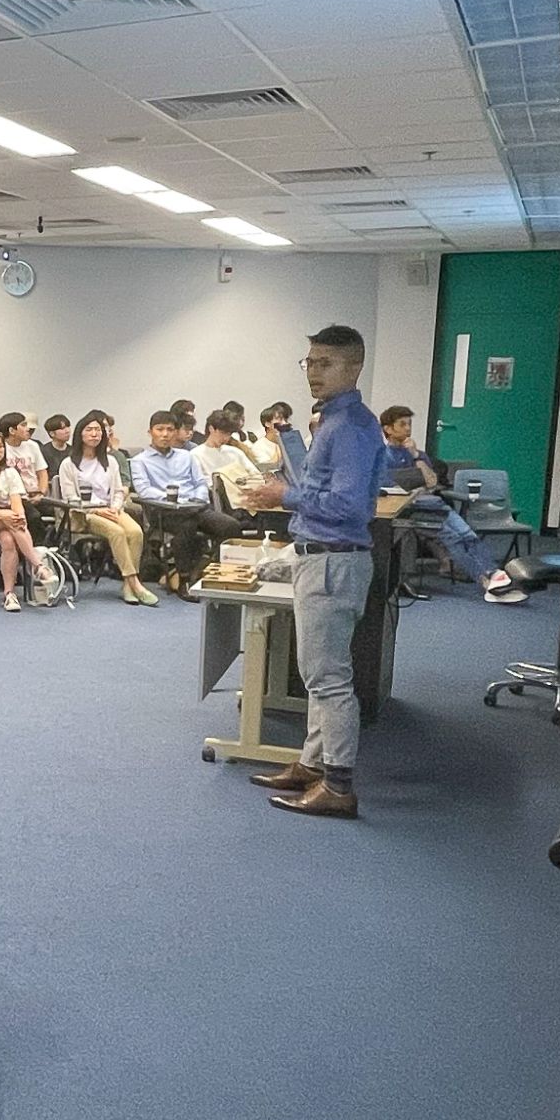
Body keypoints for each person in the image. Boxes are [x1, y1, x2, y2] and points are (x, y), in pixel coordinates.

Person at [244, 327, 390, 818]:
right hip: (325, 557)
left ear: (353, 369)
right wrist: (289, 458)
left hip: (333, 560)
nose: (313, 371)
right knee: (317, 675)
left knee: (329, 679)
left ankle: (339, 786)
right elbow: (321, 484)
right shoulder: (335, 422)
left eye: (325, 363)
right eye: (309, 362)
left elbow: (348, 505)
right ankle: (312, 766)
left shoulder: (349, 427)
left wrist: (281, 496)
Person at [379, 405, 523, 603]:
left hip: (434, 504)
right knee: (453, 539)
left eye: (409, 424)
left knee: (468, 535)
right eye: (402, 424)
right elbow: (392, 487)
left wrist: (416, 458)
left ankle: (492, 573)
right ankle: (485, 580)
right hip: (412, 510)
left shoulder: (418, 454)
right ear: (388, 429)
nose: (408, 429)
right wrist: (415, 486)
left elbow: (431, 482)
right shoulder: (383, 456)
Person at [131, 411, 241, 590]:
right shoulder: (140, 461)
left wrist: (198, 498)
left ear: (175, 432)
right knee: (187, 527)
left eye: (170, 430)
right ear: (150, 432)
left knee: (231, 526)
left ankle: (205, 570)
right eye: (160, 429)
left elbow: (199, 483)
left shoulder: (186, 456)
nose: (165, 434)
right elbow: (144, 491)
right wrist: (174, 499)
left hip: (194, 507)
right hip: (164, 512)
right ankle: (184, 581)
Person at [58, 414, 154, 605]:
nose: (94, 434)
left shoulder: (110, 461)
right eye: (89, 430)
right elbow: (71, 498)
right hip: (84, 514)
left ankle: (128, 586)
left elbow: (119, 490)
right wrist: (96, 511)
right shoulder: (68, 464)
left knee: (135, 532)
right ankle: (134, 581)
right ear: (80, 434)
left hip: (112, 509)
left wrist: (115, 507)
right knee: (117, 532)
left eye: (98, 430)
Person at [0, 431, 56, 612]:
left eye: (0, 446)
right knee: (11, 523)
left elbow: (16, 502)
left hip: (7, 520)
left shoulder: (10, 473)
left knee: (8, 541)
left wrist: (19, 515)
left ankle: (9, 594)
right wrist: (4, 515)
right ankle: (37, 565)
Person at [192, 409, 269, 512]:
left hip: (244, 497)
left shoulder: (235, 453)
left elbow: (255, 475)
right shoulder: (195, 454)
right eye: (223, 433)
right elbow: (200, 484)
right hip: (218, 501)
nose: (226, 438)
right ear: (211, 429)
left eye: (229, 434)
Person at [0, 412, 49, 499]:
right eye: (23, 425)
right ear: (12, 431)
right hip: (10, 496)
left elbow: (42, 473)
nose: (28, 429)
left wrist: (41, 493)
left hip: (34, 494)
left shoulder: (33, 445)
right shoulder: (0, 447)